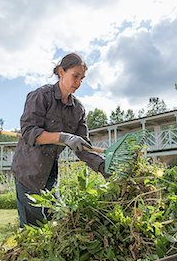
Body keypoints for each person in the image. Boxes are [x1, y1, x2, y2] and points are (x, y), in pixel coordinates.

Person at [11, 53, 108, 228]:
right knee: (32, 228)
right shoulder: (41, 96)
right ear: (61, 72)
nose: (78, 83)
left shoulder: (78, 109)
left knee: (55, 220)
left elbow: (83, 147)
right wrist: (63, 137)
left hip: (50, 171)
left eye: (82, 78)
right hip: (28, 170)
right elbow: (29, 131)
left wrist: (104, 167)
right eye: (75, 76)